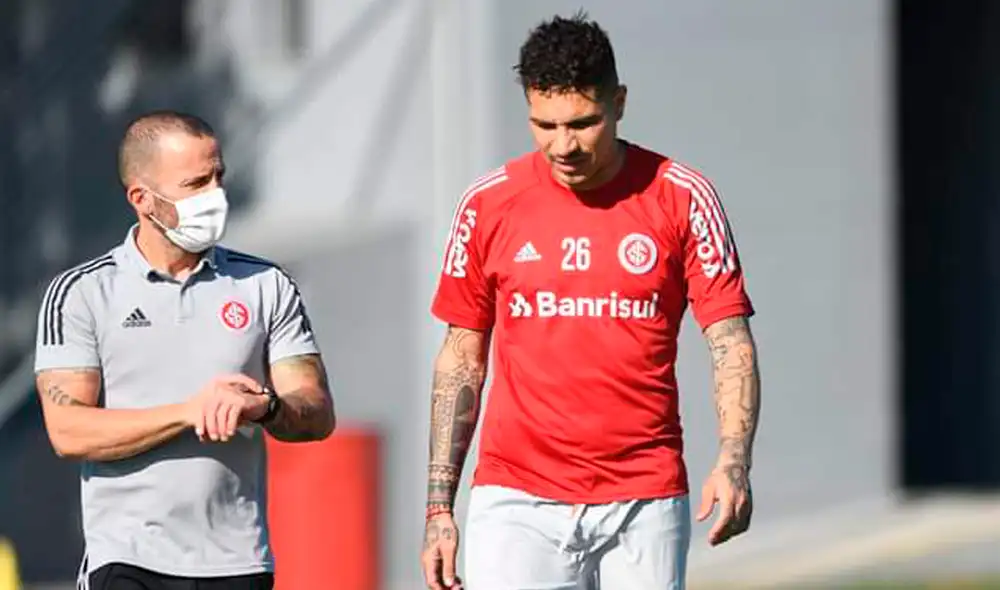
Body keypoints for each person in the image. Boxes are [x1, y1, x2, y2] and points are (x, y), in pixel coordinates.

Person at [420, 12, 761, 590]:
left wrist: (734, 459)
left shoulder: (682, 198)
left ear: (620, 102)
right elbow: (461, 357)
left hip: (643, 498)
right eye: (544, 125)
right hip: (515, 500)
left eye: (583, 123)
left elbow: (730, 342)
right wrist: (438, 508)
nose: (564, 145)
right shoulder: (488, 204)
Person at [33, 110, 336, 590]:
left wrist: (265, 406)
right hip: (129, 559)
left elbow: (317, 413)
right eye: (195, 183)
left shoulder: (265, 284)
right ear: (142, 199)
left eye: (218, 177)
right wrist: (187, 412)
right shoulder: (82, 293)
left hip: (238, 561)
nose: (214, 196)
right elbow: (68, 431)